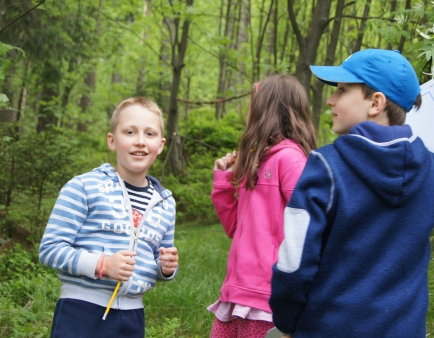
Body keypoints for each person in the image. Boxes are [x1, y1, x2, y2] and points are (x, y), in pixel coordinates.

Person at [269, 49, 434, 338]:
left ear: (376, 102)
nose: (331, 100)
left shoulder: (325, 167)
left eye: (342, 90)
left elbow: (294, 263)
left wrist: (286, 324)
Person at [39, 97, 179, 338]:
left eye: (150, 134)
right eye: (130, 132)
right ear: (112, 141)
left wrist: (166, 268)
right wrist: (101, 265)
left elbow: (155, 261)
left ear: (161, 144)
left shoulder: (165, 203)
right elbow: (50, 250)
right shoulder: (83, 187)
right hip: (81, 310)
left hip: (133, 316)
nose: (140, 141)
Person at [208, 74, 317, 338]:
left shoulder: (291, 160)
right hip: (235, 294)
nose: (248, 114)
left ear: (267, 111)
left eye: (251, 106)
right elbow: (235, 227)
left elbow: (310, 228)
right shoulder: (257, 162)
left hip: (266, 301)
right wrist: (224, 182)